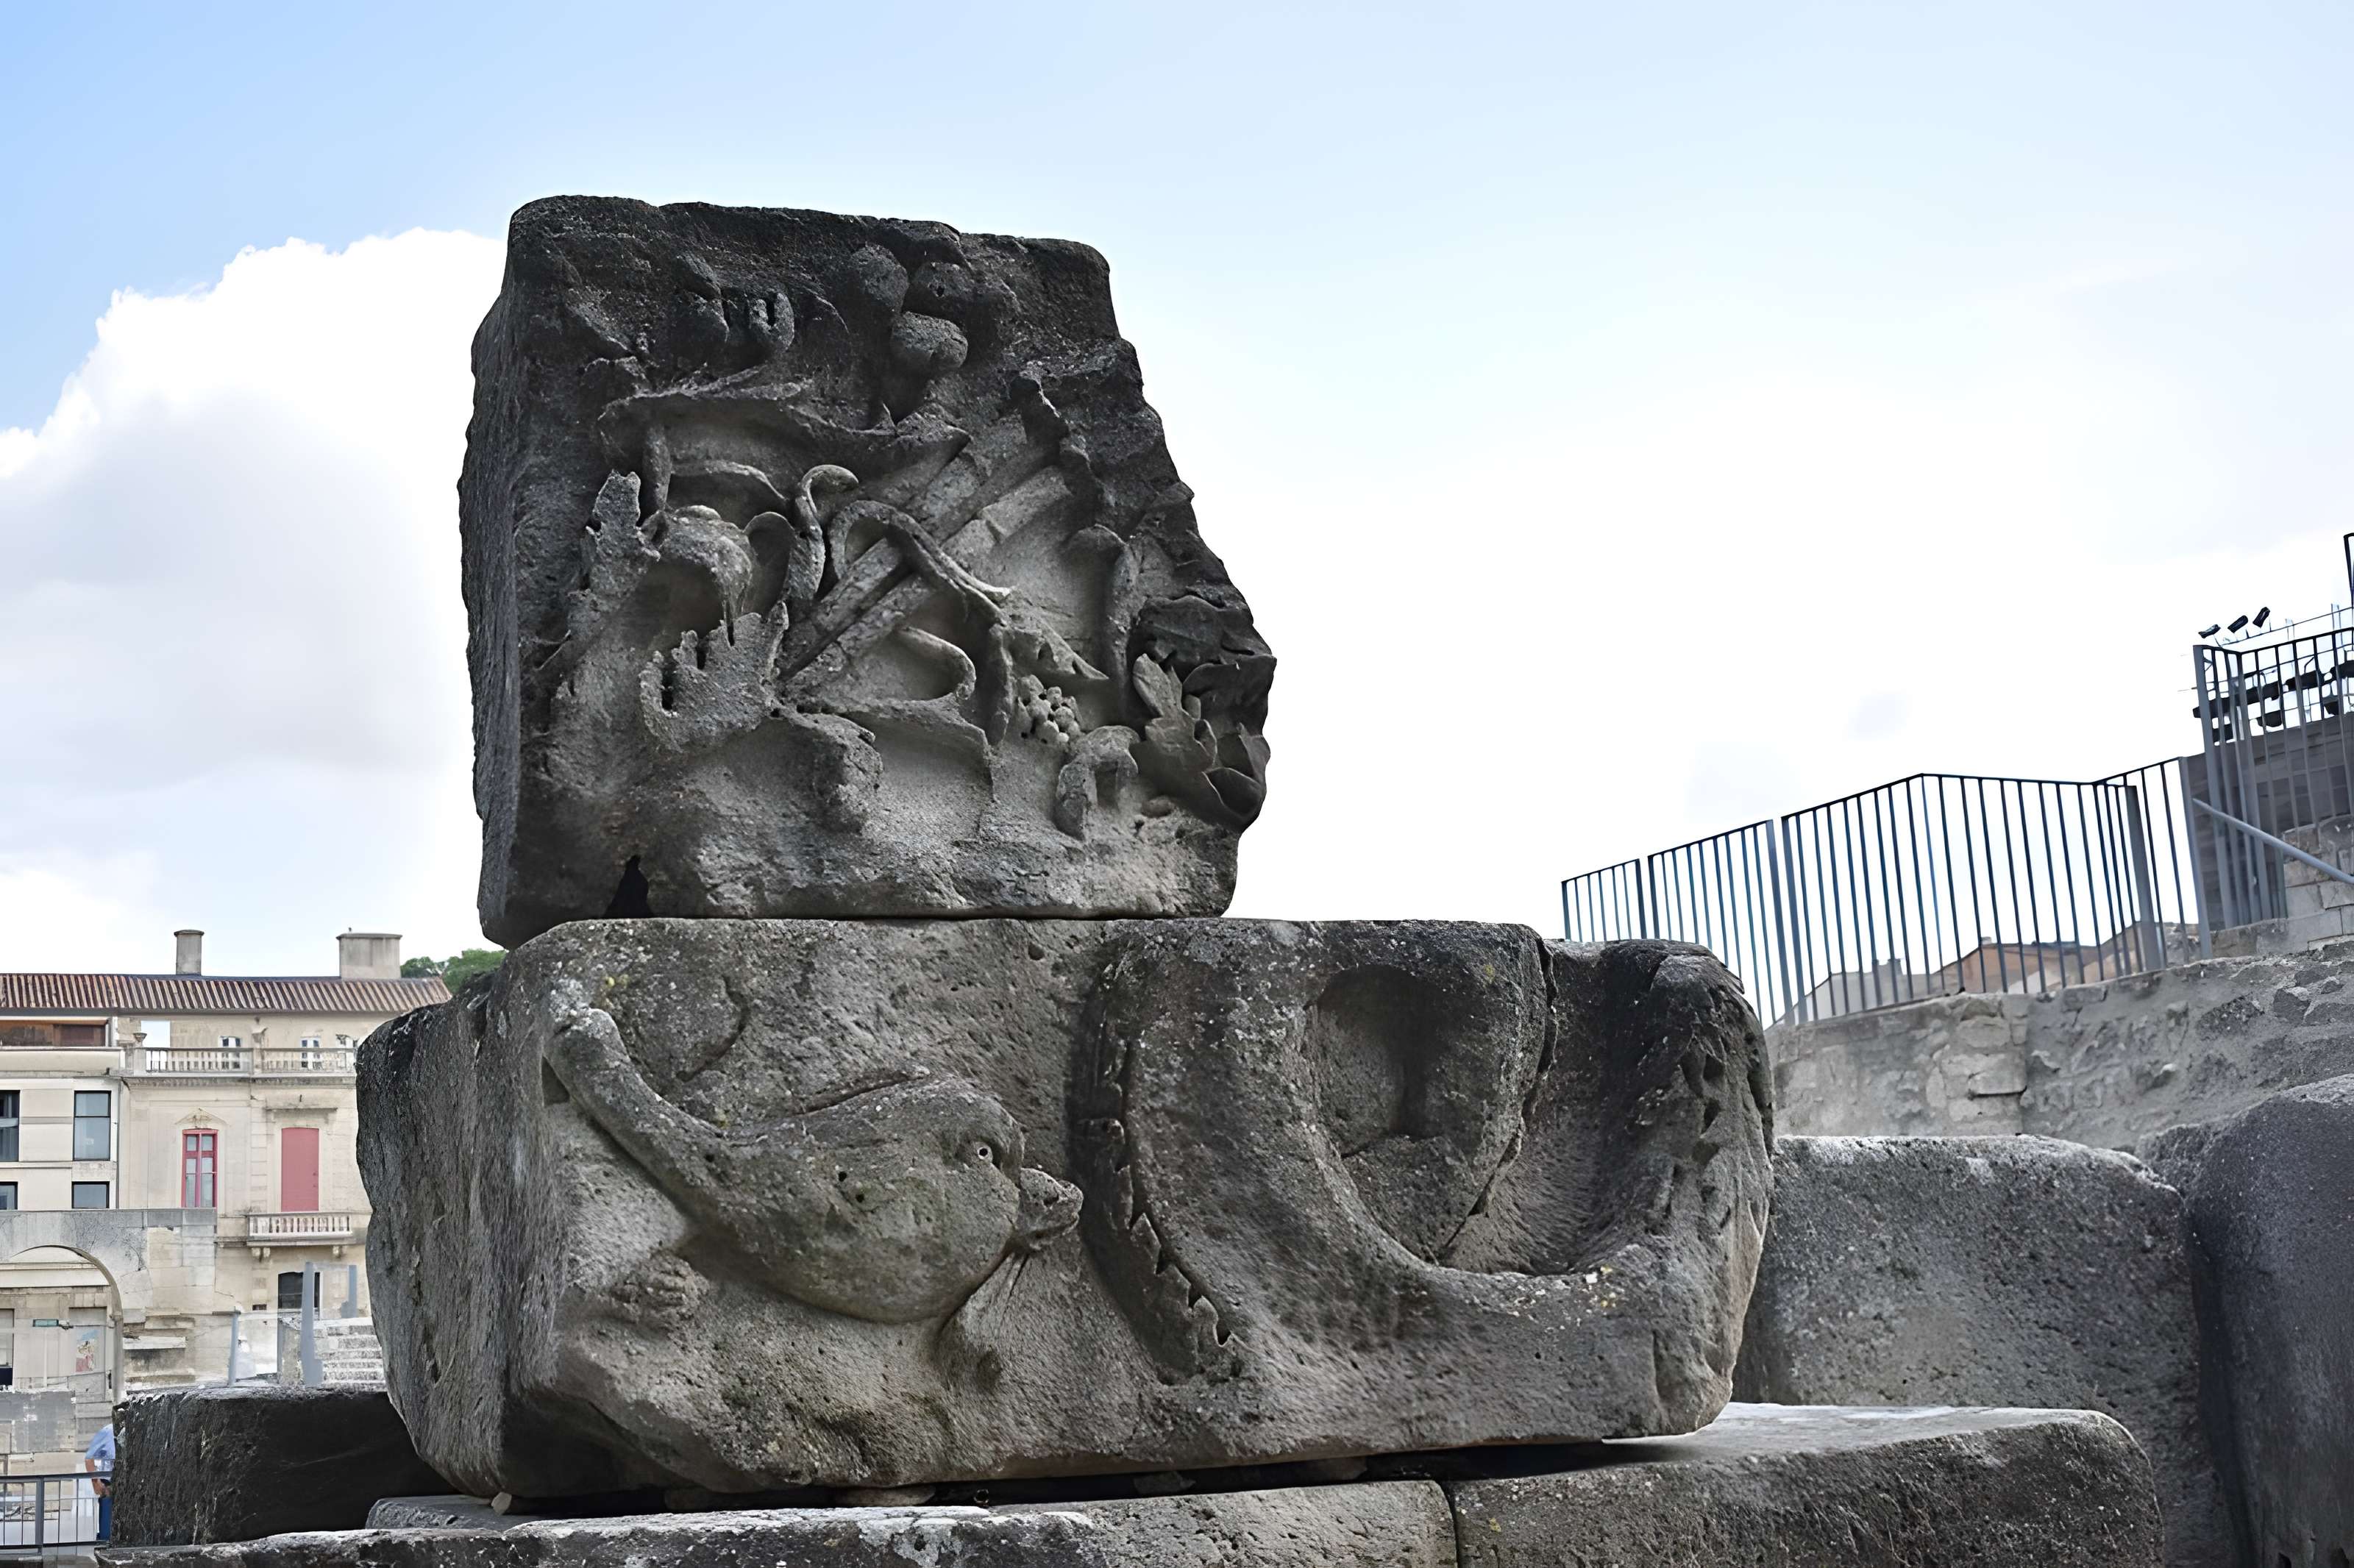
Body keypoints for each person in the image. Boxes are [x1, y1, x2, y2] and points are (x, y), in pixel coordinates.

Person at [84, 1422, 114, 1542]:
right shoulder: (108, 1431)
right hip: (109, 1481)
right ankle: (105, 1539)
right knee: (107, 1509)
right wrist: (96, 1482)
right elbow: (89, 1458)